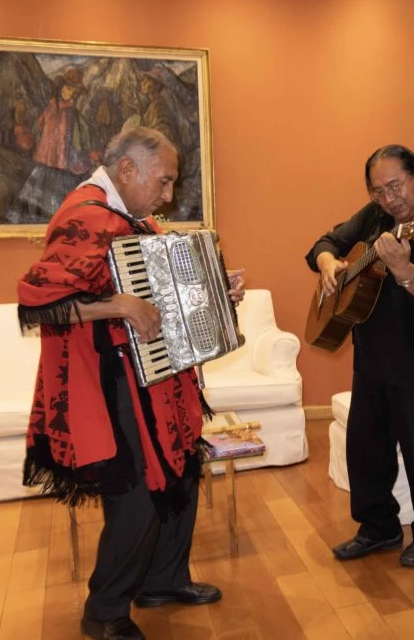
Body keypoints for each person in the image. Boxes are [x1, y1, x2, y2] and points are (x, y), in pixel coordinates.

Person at [17, 126, 244, 640]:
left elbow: (166, 298)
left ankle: (162, 580)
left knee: (182, 471)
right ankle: (104, 611)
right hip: (110, 383)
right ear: (127, 170)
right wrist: (119, 305)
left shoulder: (133, 222)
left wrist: (216, 292)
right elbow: (38, 303)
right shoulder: (84, 218)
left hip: (157, 378)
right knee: (138, 495)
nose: (168, 195)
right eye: (163, 182)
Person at [305, 144, 414, 568]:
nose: (388, 199)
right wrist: (328, 264)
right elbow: (325, 243)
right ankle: (378, 528)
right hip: (375, 352)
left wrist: (404, 270)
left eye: (395, 186)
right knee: (367, 448)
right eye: (378, 191)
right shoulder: (376, 215)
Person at [5, 66, 101, 224]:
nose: (71, 94)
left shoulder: (73, 115)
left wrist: (85, 155)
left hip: (62, 164)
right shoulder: (49, 108)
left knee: (57, 203)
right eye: (69, 88)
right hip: (45, 161)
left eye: (74, 91)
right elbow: (38, 128)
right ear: (61, 87)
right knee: (34, 196)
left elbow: (77, 140)